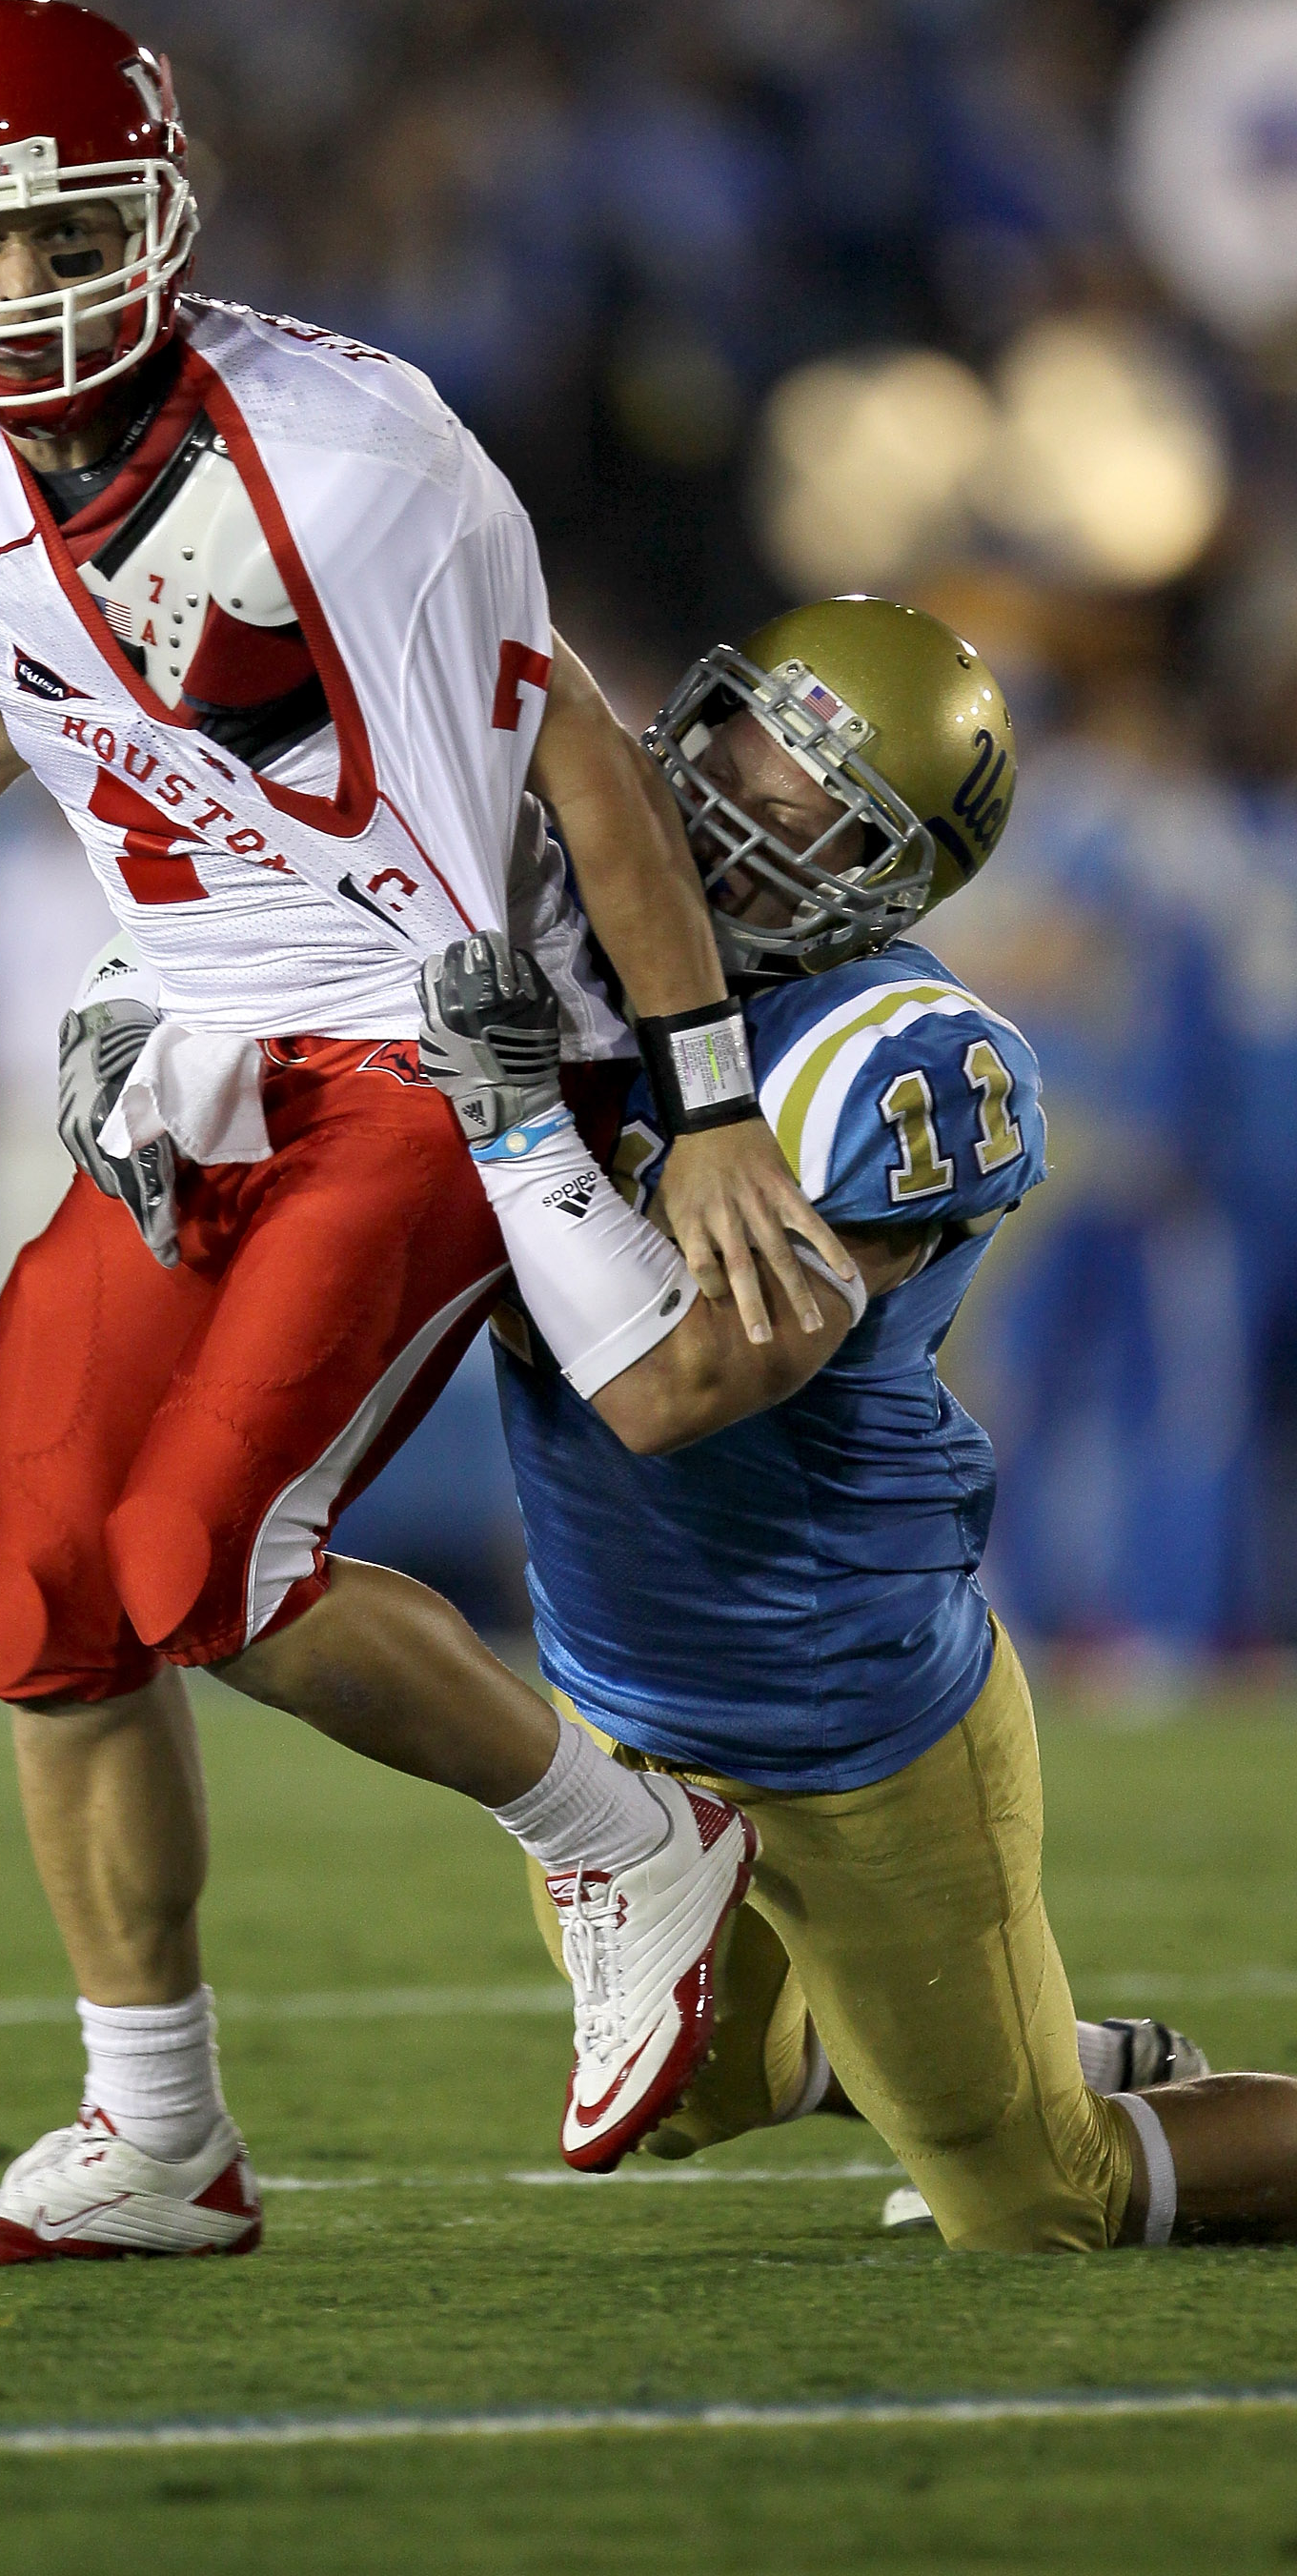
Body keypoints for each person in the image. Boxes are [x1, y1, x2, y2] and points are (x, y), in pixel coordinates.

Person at [0, 0, 855, 2268]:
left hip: (438, 1045)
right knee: (43, 1591)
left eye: (53, 240)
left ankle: (625, 1834)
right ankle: (158, 2135)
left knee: (204, 1562)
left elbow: (581, 756)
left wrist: (695, 1099)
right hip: (199, 1043)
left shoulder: (359, 467)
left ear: (159, 215)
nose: (9, 296)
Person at [410, 593, 1297, 2251]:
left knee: (1042, 2199)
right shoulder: (567, 934)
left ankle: (1014, 2083)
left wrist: (519, 1129)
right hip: (618, 1689)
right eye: (741, 753)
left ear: (895, 871)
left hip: (842, 1699)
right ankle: (1002, 2048)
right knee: (686, 2095)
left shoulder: (899, 1057)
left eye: (809, 811)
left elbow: (678, 1389)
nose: (738, 810)